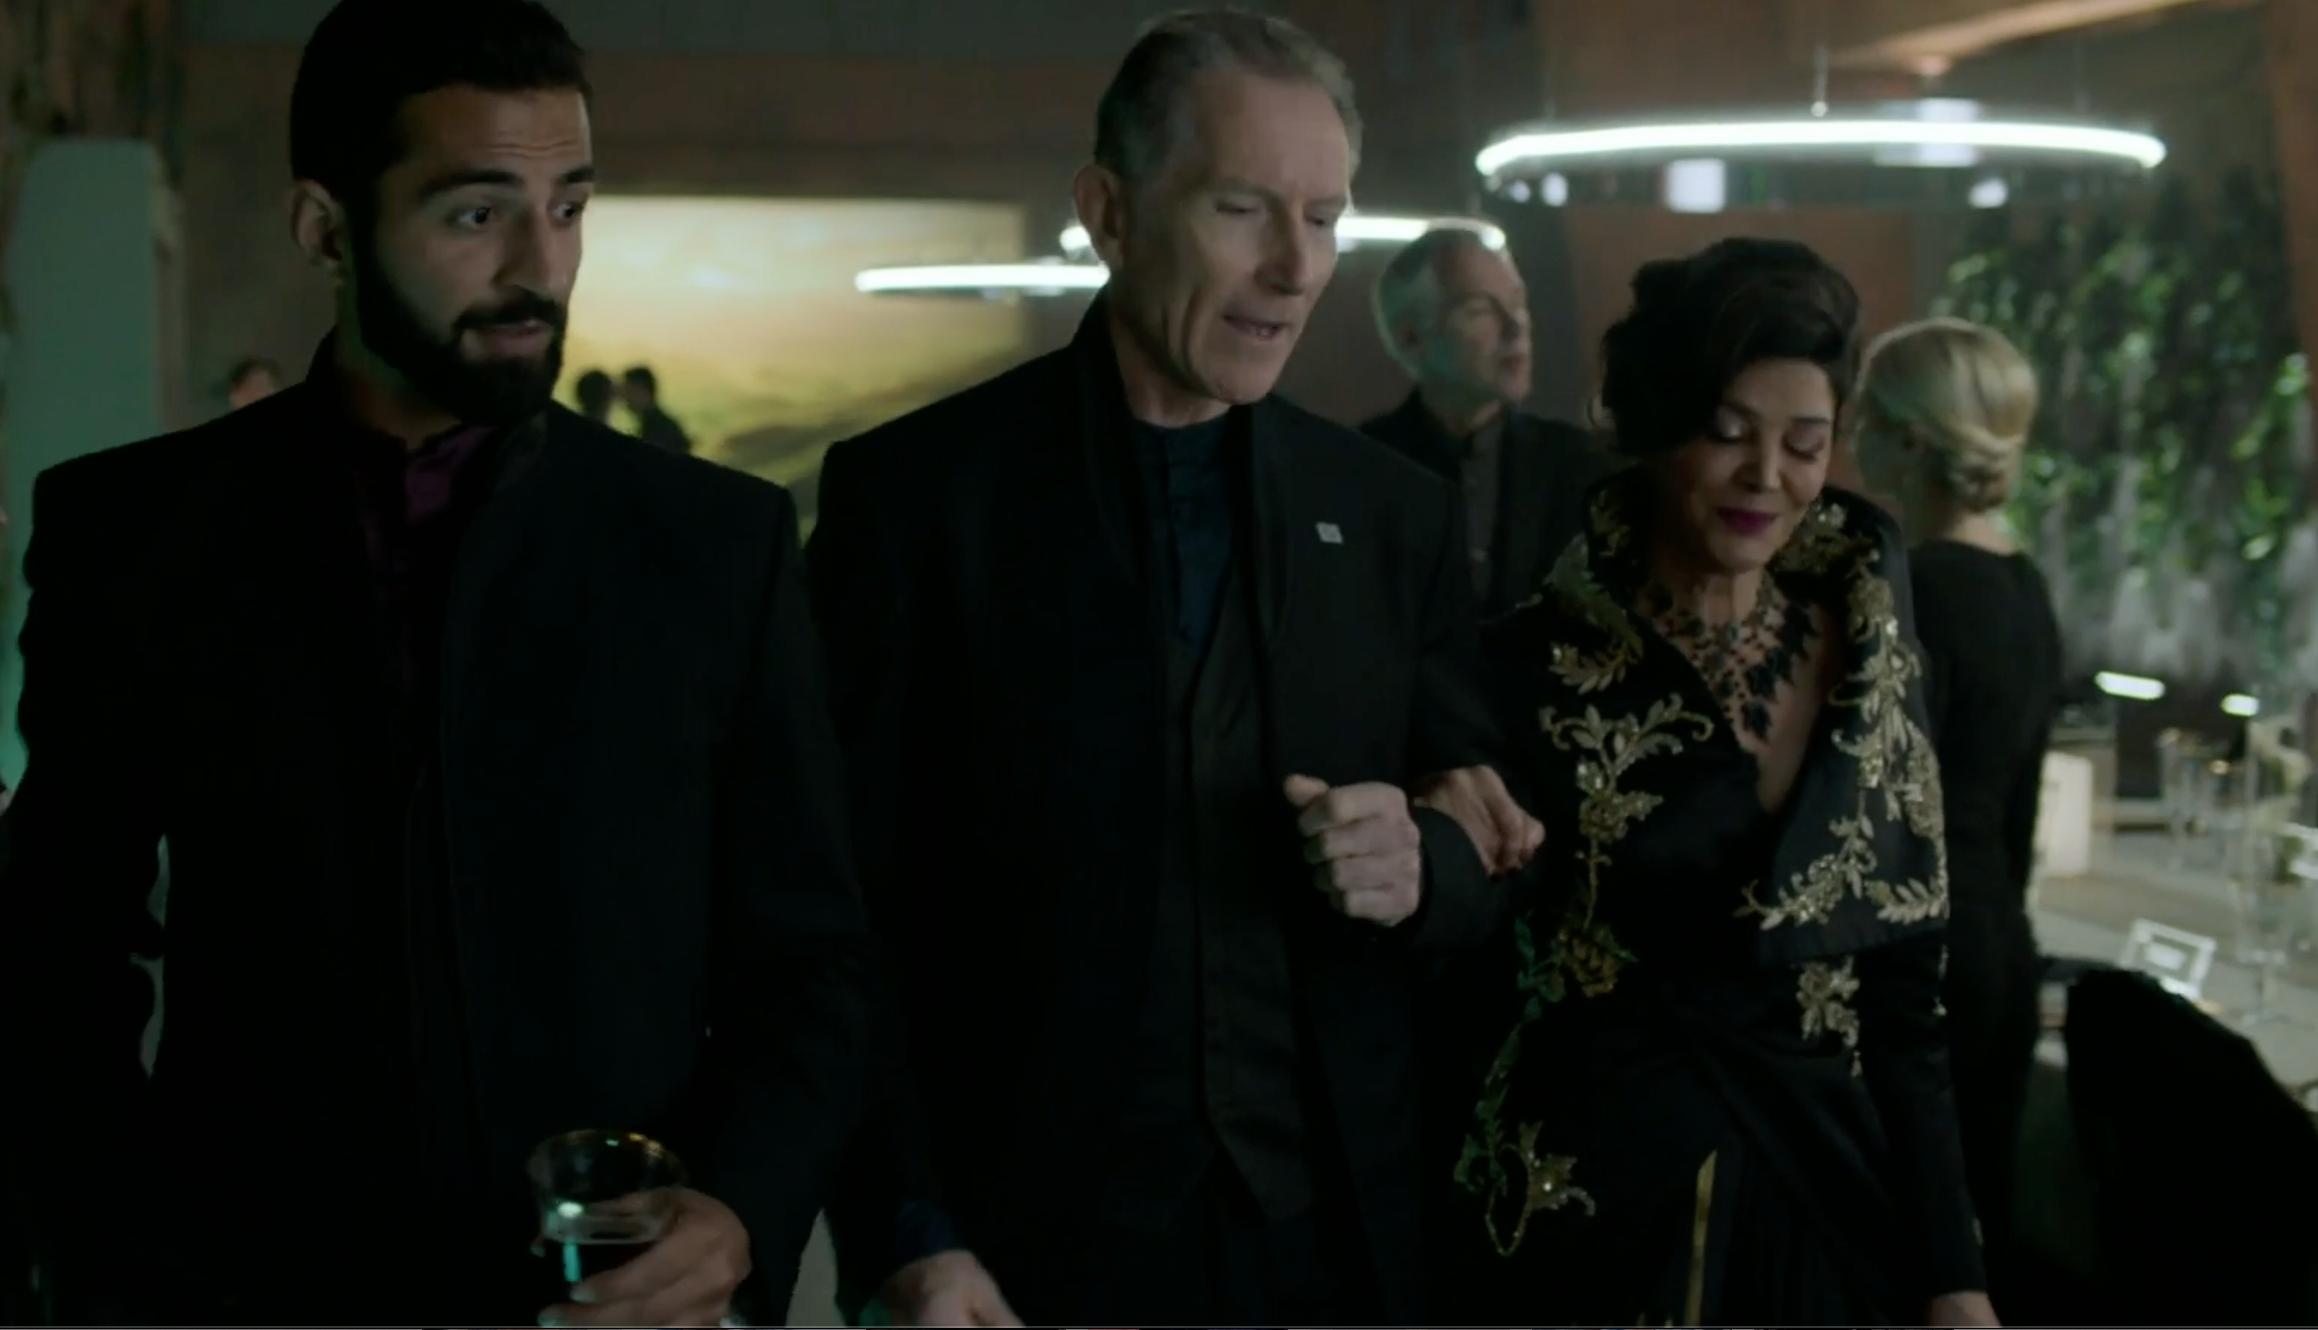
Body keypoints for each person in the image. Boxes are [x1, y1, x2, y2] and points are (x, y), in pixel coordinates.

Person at [0, 2, 868, 1323]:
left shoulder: (710, 547)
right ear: (324, 227)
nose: (540, 265)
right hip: (246, 1291)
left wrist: (740, 1208)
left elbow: (811, 963)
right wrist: (108, 1253)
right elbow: (57, 945)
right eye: (476, 214)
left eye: (569, 208)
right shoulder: (140, 531)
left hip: (606, 1294)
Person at [809, 11, 1538, 1326]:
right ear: (1108, 211)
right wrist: (907, 1226)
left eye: (1324, 219)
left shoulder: (1389, 513)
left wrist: (1421, 861)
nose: (1293, 268)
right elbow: (826, 917)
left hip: (1337, 1244)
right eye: (1242, 210)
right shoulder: (917, 504)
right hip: (1018, 1252)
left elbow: (1491, 848)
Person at [1451, 239, 1998, 1327]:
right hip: (1590, 1212)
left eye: (1805, 444)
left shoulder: (1876, 658)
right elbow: (1461, 982)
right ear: (1657, 427)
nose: (1766, 477)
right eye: (1729, 432)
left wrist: (1954, 1272)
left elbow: (1904, 995)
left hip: (1826, 1205)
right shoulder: (1526, 667)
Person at [1853, 316, 2059, 1293]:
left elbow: (1880, 803)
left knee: (1913, 1248)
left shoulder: (1912, 588)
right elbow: (2019, 811)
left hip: (1921, 952)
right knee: (1983, 1235)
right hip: (1999, 942)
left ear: (1906, 439)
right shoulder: (2023, 584)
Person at [1363, 226, 1614, 616]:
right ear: (1410, 337)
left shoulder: (1581, 466)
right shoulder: (1361, 468)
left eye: (1518, 302)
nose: (1516, 327)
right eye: (1479, 309)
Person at [621, 364, 693, 455]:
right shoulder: (660, 424)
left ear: (642, 391)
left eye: (629, 391)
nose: (625, 398)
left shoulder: (656, 429)